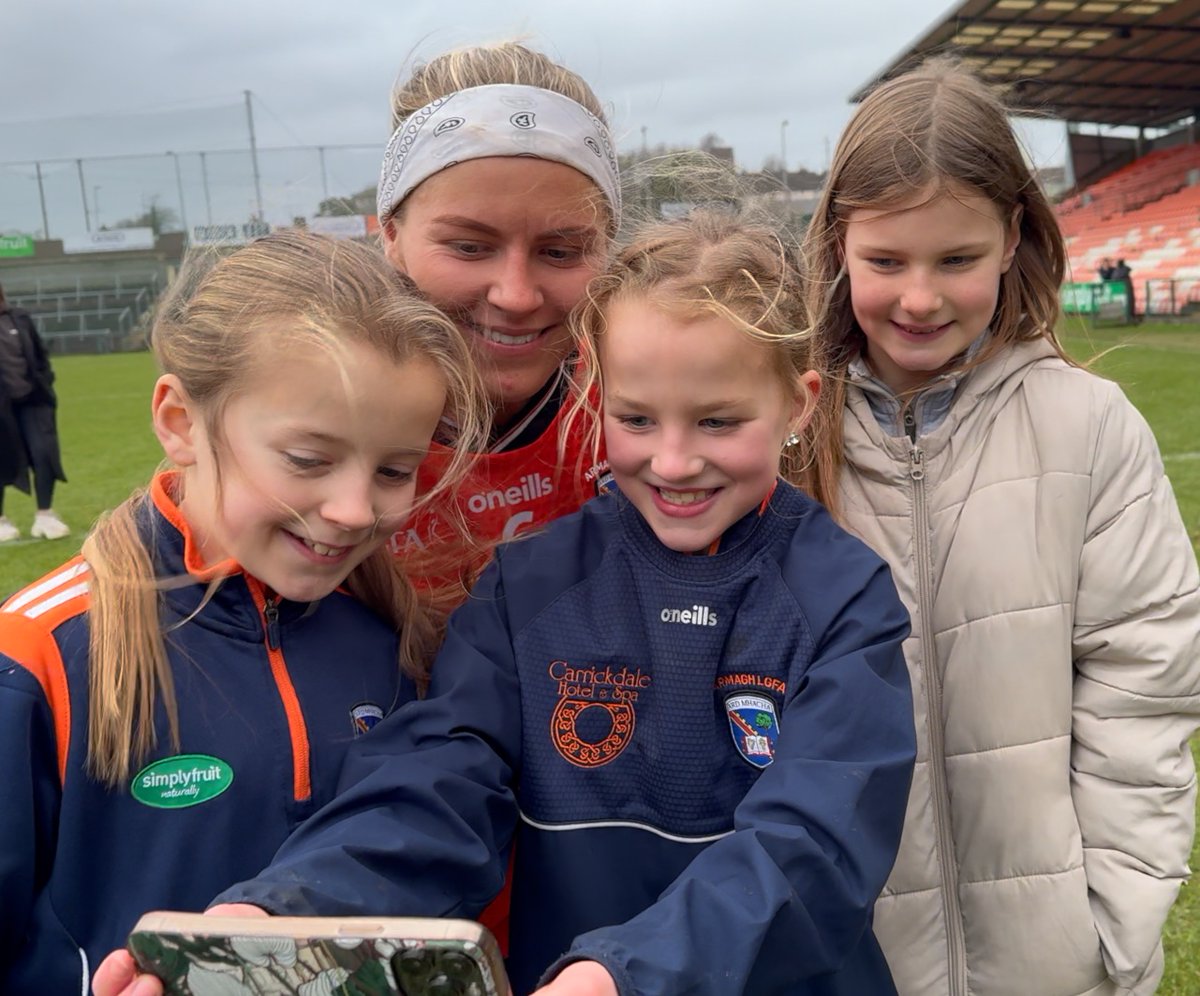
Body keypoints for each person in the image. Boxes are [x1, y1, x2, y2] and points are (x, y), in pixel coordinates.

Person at [98, 211, 917, 996]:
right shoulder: (530, 584)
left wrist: (627, 976)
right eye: (636, 418)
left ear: (799, 404)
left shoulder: (843, 597)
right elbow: (440, 779)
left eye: (716, 421)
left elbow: (814, 844)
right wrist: (282, 913)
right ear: (598, 399)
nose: (672, 461)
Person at [800, 58, 1200, 996]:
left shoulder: (1090, 429)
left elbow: (1144, 694)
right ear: (837, 247)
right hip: (849, 960)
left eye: (957, 260)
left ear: (1013, 236)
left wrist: (1116, 923)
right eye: (886, 261)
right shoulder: (782, 433)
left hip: (1054, 962)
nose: (920, 298)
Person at [0, 230, 489, 996]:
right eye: (308, 459)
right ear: (180, 420)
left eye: (396, 470)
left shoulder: (393, 639)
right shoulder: (39, 656)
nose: (354, 509)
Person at [375, 41, 619, 575]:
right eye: (469, 246)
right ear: (391, 233)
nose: (515, 295)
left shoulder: (650, 411)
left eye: (560, 252)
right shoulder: (306, 422)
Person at [0, 282, 69, 542]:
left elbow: (40, 355)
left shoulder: (19, 318)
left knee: (44, 453)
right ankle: (1, 521)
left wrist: (45, 380)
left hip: (34, 401)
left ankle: (45, 515)